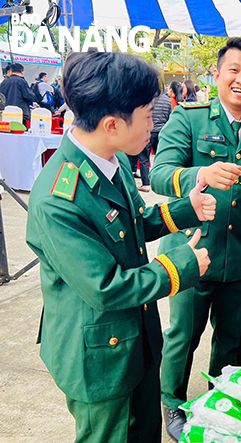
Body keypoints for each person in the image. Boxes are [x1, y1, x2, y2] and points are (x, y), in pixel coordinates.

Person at [25, 51, 215, 443]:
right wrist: (180, 266)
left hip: (135, 337)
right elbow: (105, 286)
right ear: (112, 124)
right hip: (97, 356)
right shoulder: (58, 198)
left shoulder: (112, 160)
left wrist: (186, 209)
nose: (154, 123)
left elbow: (132, 223)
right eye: (148, 115)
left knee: (145, 433)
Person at [151, 38, 241, 441]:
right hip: (189, 252)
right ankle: (171, 404)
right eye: (235, 70)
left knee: (230, 338)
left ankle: (218, 402)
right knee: (182, 337)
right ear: (217, 74)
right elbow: (159, 175)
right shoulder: (189, 119)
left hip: (238, 255)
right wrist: (200, 176)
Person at [129, 87, 172, 192]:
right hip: (162, 131)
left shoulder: (147, 98)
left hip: (148, 131)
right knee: (161, 157)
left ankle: (146, 184)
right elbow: (169, 117)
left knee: (144, 158)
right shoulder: (167, 100)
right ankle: (162, 182)